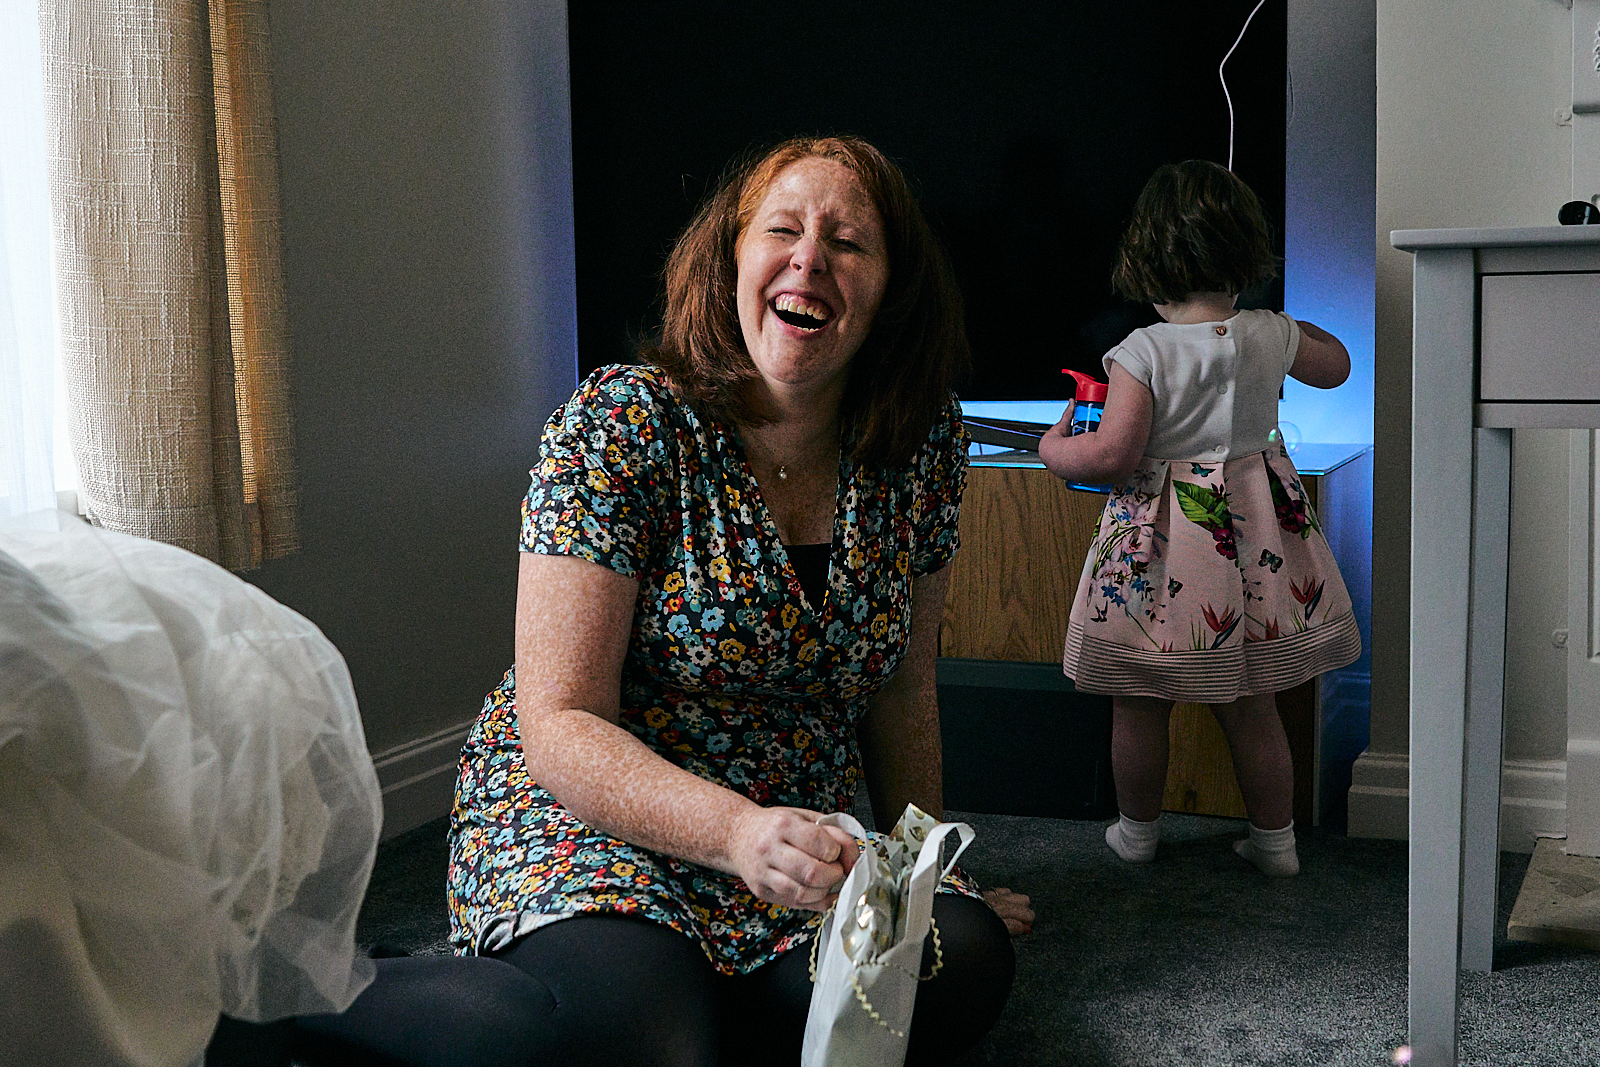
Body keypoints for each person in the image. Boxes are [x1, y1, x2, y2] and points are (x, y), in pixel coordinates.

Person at [443, 135, 1029, 1067]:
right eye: (783, 230)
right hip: (600, 811)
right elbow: (559, 721)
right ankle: (328, 999)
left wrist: (921, 874)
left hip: (796, 840)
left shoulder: (923, 445)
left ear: (892, 292)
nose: (810, 260)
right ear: (731, 262)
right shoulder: (620, 423)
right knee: (646, 1031)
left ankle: (675, 1007)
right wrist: (733, 832)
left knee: (964, 960)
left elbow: (901, 690)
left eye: (849, 242)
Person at [1038, 159, 1362, 878]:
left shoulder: (1143, 351)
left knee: (1138, 698)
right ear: (1246, 252)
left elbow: (1114, 455)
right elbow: (1338, 365)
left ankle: (1137, 835)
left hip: (1166, 549)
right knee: (1253, 701)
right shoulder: (1270, 334)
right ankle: (1276, 843)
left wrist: (1053, 449)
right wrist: (1281, 326)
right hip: (1253, 541)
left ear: (1147, 259)